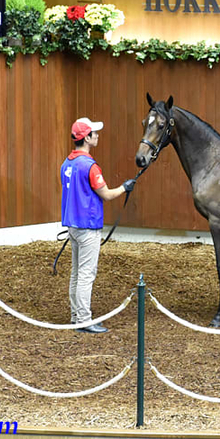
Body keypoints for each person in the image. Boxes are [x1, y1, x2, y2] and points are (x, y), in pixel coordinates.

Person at [61, 117, 136, 334]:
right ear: (86, 138)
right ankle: (84, 320)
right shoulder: (90, 167)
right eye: (94, 133)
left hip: (73, 225)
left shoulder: (67, 164)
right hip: (88, 226)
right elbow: (107, 194)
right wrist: (124, 188)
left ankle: (76, 317)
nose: (97, 135)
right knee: (86, 275)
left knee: (77, 273)